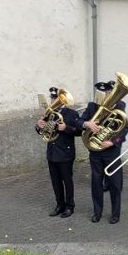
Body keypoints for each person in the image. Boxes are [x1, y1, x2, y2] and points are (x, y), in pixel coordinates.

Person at [77, 83, 128, 224]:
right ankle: (97, 212)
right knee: (96, 183)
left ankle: (115, 214)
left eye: (110, 93)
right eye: (106, 93)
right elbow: (79, 121)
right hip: (95, 152)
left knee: (115, 184)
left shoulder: (120, 106)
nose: (107, 95)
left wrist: (113, 142)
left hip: (112, 152)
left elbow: (124, 130)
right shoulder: (93, 106)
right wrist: (87, 124)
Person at [36, 87, 80, 218]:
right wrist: (39, 126)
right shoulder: (48, 113)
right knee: (55, 181)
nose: (54, 100)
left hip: (65, 153)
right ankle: (59, 205)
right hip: (52, 152)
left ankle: (70, 206)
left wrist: (66, 128)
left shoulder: (72, 114)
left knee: (67, 180)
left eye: (57, 98)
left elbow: (79, 131)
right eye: (53, 98)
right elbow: (42, 131)